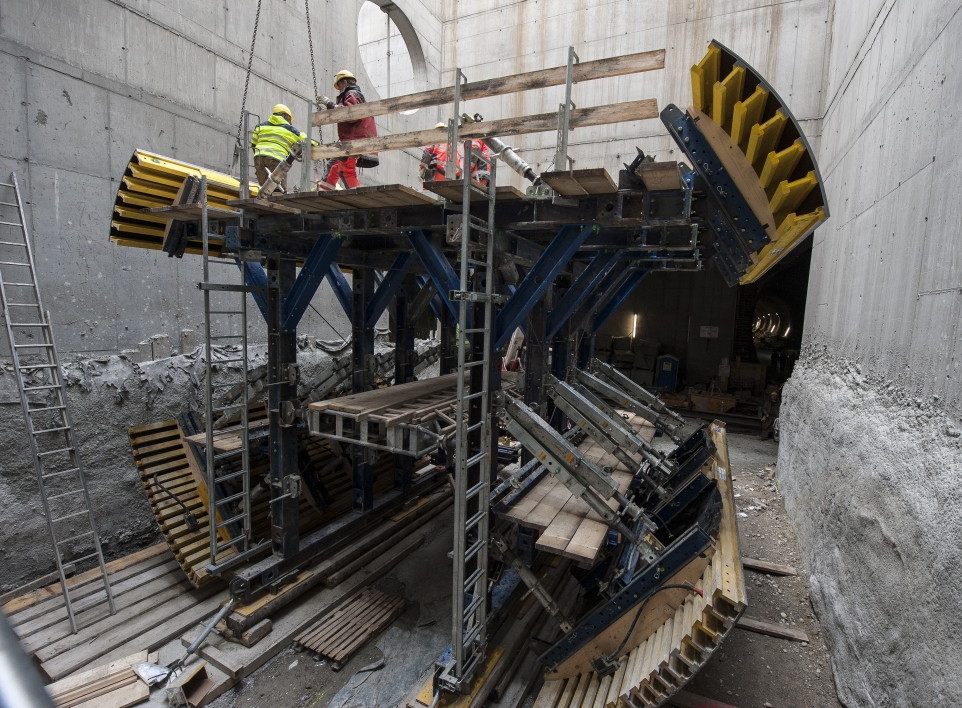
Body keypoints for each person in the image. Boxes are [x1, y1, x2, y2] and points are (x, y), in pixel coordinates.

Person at [317, 70, 378, 190]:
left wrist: (330, 104)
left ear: (344, 83)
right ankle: (325, 192)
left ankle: (355, 197)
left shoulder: (352, 94)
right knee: (334, 164)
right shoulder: (355, 95)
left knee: (345, 171)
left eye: (339, 86)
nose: (339, 89)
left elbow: (350, 116)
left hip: (355, 140)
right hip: (356, 138)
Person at [250, 104, 308, 189]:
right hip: (276, 160)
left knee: (264, 188)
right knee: (278, 192)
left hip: (259, 159)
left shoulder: (260, 126)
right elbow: (304, 140)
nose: (290, 122)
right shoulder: (290, 130)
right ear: (286, 117)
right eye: (290, 120)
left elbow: (253, 144)